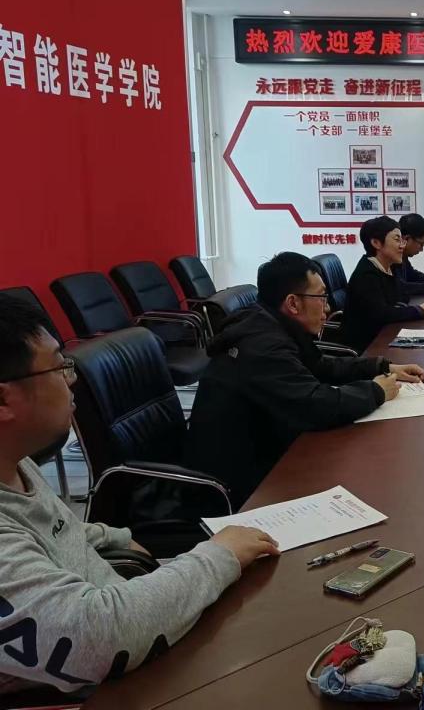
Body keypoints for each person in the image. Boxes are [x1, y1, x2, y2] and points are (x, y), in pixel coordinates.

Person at [0, 295, 280, 697]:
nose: (71, 379)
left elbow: (55, 530)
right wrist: (219, 556)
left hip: (133, 634)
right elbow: (95, 637)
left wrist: (117, 537)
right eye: (60, 366)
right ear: (3, 399)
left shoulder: (15, 462)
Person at [186, 252, 424, 508]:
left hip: (270, 450)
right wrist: (376, 390)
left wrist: (383, 366)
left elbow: (319, 366)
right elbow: (316, 405)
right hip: (241, 485)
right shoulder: (263, 346)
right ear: (293, 303)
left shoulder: (271, 325)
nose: (328, 307)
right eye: (321, 297)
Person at [340, 216, 424, 352]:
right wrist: (418, 311)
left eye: (402, 240)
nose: (402, 245)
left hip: (384, 336)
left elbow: (401, 295)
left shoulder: (388, 267)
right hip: (367, 348)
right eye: (397, 240)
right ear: (376, 243)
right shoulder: (367, 274)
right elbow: (383, 314)